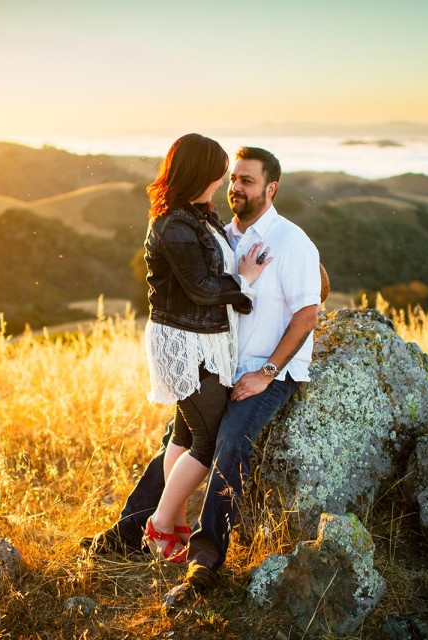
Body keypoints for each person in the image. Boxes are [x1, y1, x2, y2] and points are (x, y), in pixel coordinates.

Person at [83, 146, 321, 605]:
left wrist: (268, 373)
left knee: (228, 443)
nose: (236, 188)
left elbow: (307, 315)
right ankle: (130, 533)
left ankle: (204, 560)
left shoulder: (294, 243)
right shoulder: (220, 233)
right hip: (216, 365)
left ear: (271, 188)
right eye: (234, 179)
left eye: (247, 181)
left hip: (264, 371)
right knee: (179, 438)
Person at [139, 133, 271, 562]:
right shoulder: (174, 224)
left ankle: (173, 519)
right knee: (209, 440)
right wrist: (245, 282)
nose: (222, 180)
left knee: (184, 431)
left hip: (205, 339)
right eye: (217, 171)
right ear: (200, 172)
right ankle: (159, 525)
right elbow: (199, 287)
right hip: (185, 342)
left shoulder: (198, 214)